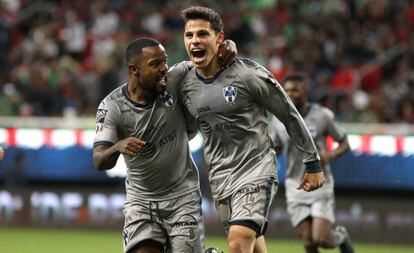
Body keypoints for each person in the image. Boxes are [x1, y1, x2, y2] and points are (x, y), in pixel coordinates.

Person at [179, 6, 325, 253]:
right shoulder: (183, 81)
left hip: (255, 169)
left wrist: (313, 162)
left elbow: (289, 113)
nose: (195, 41)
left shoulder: (248, 74)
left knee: (238, 243)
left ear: (219, 38)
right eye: (189, 35)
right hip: (220, 177)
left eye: (203, 34)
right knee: (251, 245)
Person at [92, 37, 236, 253]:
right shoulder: (112, 107)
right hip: (141, 202)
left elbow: (208, 59)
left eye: (165, 62)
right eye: (155, 64)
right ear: (134, 69)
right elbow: (99, 159)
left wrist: (227, 47)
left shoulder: (175, 79)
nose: (164, 69)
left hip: (182, 197)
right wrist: (117, 146)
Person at [270, 74, 354, 253]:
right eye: (288, 90)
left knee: (321, 238)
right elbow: (276, 149)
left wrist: (328, 156)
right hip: (295, 185)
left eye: (296, 89)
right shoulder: (278, 120)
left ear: (305, 91)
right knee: (309, 243)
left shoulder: (322, 115)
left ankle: (341, 236)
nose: (291, 93)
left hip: (320, 183)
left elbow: (345, 143)